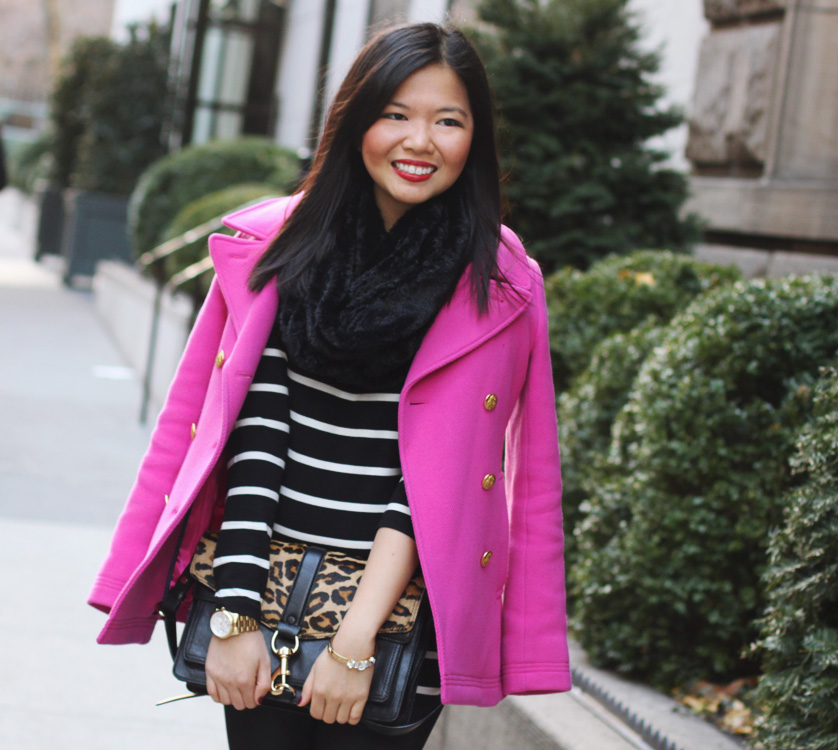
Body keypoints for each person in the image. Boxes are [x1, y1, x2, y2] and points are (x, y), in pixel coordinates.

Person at [88, 21, 570, 750]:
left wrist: (355, 641)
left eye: (448, 121)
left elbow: (441, 470)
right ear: (356, 120)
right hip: (263, 595)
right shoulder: (281, 247)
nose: (420, 141)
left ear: (476, 138)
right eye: (396, 114)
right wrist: (235, 616)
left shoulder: (497, 283)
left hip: (401, 624)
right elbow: (250, 442)